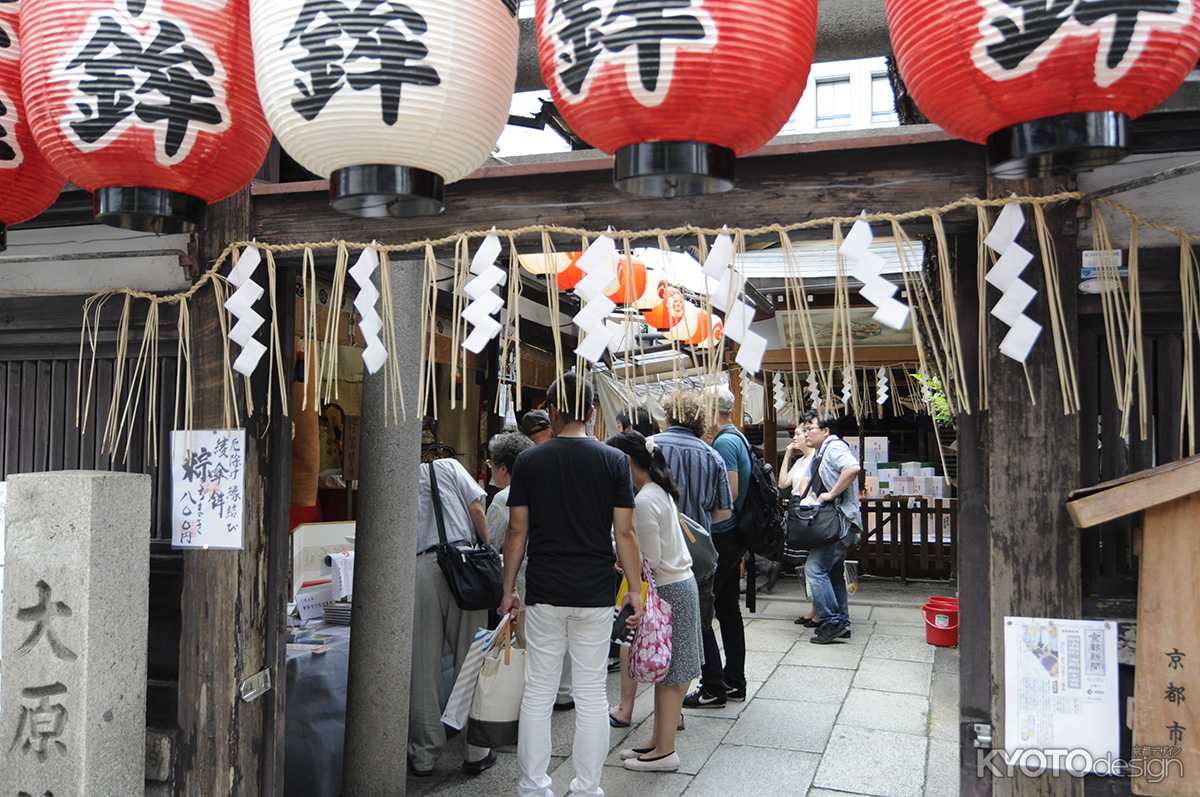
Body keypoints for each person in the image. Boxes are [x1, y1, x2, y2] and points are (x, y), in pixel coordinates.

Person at [501, 372, 644, 797]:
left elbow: (515, 530)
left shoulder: (529, 461)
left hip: (545, 588)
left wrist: (508, 587)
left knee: (538, 691)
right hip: (595, 589)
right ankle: (587, 787)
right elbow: (626, 533)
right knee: (589, 692)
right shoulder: (613, 461)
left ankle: (532, 787)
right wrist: (634, 588)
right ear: (592, 411)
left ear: (552, 409)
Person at [606, 431, 702, 773]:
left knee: (672, 675)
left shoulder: (644, 500)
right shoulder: (656, 491)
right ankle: (659, 742)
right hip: (678, 586)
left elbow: (652, 557)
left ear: (628, 463)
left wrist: (624, 560)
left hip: (668, 589)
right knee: (670, 674)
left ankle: (665, 752)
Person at [408, 446, 497, 776]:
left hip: (419, 569)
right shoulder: (448, 466)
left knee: (422, 665)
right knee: (471, 658)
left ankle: (423, 754)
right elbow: (477, 509)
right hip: (462, 565)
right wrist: (486, 548)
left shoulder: (401, 475)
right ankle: (476, 750)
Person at [652, 390, 733, 709]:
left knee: (655, 622)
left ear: (669, 414)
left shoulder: (651, 447)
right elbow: (725, 511)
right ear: (701, 419)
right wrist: (697, 518)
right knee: (698, 621)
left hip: (657, 546)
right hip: (698, 553)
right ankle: (712, 683)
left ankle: (660, 699)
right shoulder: (712, 455)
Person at [488, 428, 576, 711]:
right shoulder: (550, 486)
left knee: (530, 642)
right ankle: (563, 691)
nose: (491, 471)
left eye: (492, 464)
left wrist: (506, 587)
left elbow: (493, 541)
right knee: (562, 635)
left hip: (523, 575)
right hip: (556, 572)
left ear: (503, 467)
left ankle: (529, 698)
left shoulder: (505, 498)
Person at [704, 386, 753, 703]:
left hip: (723, 534)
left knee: (704, 609)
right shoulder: (739, 436)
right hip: (736, 536)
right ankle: (734, 680)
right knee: (728, 610)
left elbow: (729, 494)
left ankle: (714, 685)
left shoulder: (724, 442)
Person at [800, 412, 863, 645]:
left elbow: (852, 468)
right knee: (833, 573)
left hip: (839, 522)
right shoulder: (821, 451)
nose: (806, 432)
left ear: (826, 431)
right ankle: (841, 622)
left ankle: (831, 621)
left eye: (810, 428)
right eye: (805, 429)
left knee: (815, 569)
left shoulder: (833, 446)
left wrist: (831, 493)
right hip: (839, 522)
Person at [778, 426, 820, 628]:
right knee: (805, 563)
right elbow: (783, 482)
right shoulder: (801, 461)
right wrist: (787, 454)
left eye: (797, 434)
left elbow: (806, 489)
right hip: (797, 510)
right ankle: (814, 608)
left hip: (808, 512)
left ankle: (819, 610)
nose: (794, 437)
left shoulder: (815, 459)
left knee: (813, 563)